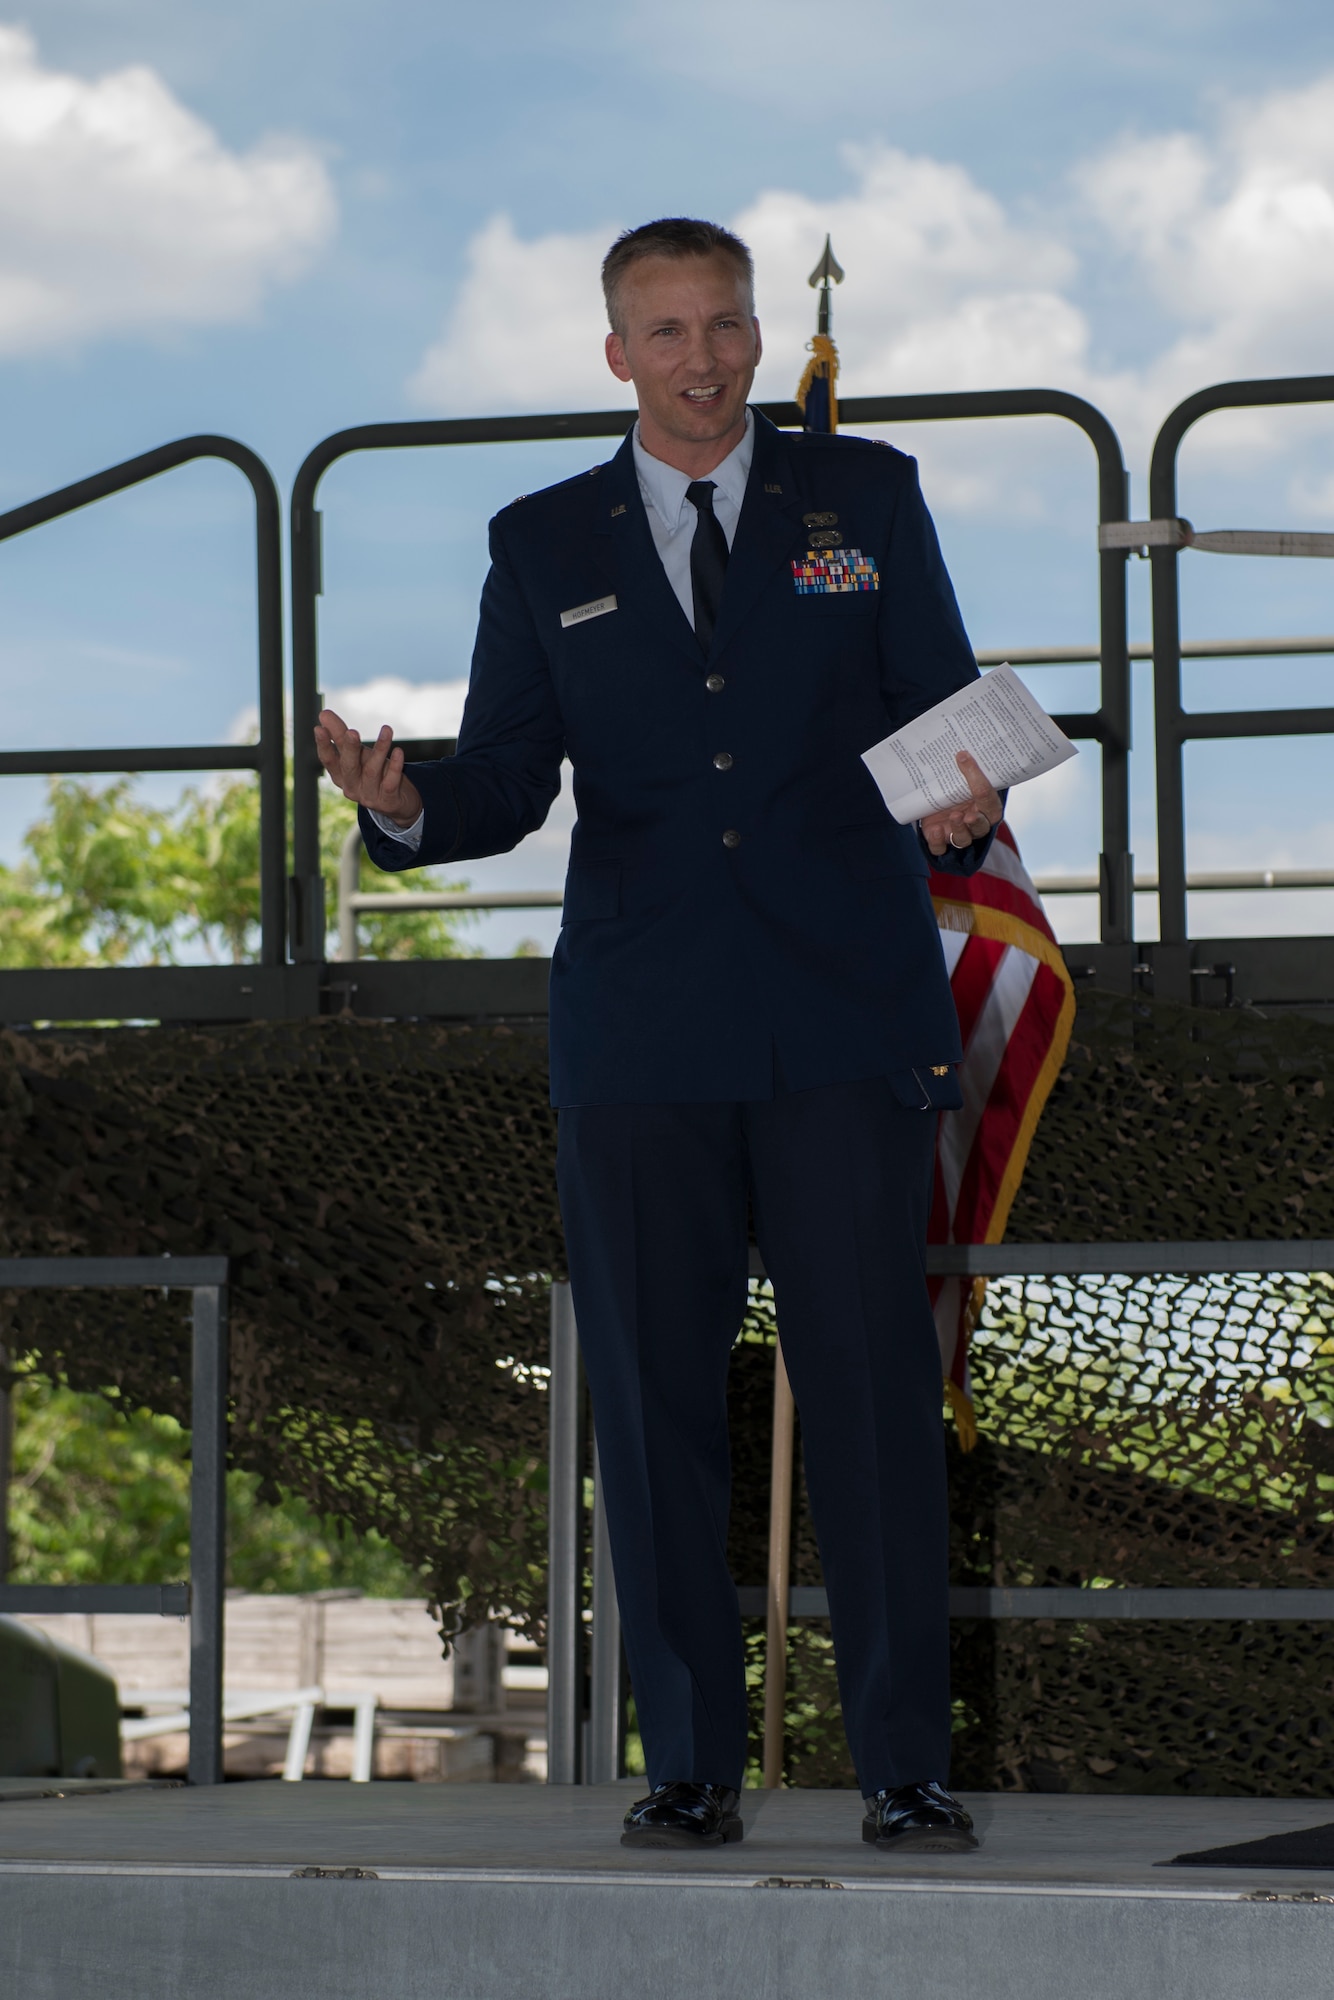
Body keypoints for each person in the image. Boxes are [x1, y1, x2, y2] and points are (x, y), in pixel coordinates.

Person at [316, 217, 1002, 1855]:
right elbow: (505, 781)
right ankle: (688, 1759)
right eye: (665, 331)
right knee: (652, 1406)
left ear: (761, 339)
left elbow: (942, 719)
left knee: (870, 1403)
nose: (701, 358)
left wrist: (964, 817)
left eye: (725, 325)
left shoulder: (869, 500)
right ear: (613, 353)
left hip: (843, 1016)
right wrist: (408, 804)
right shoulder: (540, 541)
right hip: (638, 1034)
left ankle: (905, 1765)